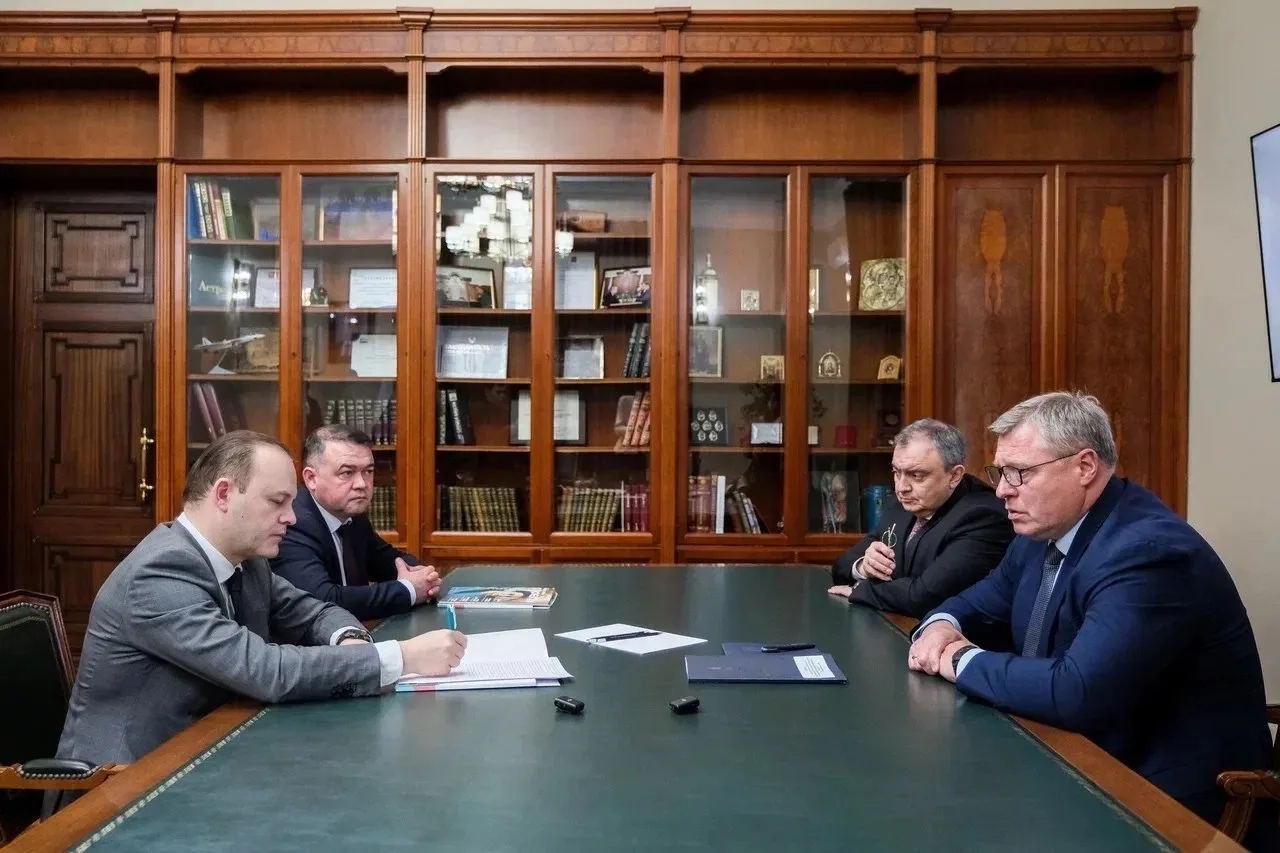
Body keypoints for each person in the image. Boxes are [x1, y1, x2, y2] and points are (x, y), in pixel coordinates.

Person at [907, 392, 1275, 844]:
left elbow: (1076, 691)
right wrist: (942, 624)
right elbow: (978, 602)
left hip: (1163, 802)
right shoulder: (1039, 534)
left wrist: (958, 659)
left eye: (1020, 472)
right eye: (1000, 473)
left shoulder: (1147, 551)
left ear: (1084, 466)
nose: (1002, 490)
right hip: (1071, 758)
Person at [51, 430, 466, 774]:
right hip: (124, 786)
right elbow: (265, 669)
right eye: (277, 501)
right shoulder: (159, 573)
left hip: (211, 754)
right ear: (224, 494)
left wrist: (349, 639)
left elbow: (316, 611)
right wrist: (401, 657)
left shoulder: (247, 561)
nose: (292, 517)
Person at [828, 418, 1014, 617]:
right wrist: (864, 568)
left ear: (954, 476)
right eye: (896, 472)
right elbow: (841, 565)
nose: (901, 487)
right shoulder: (905, 502)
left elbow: (923, 597)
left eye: (916, 475)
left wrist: (860, 589)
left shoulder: (984, 517)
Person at [272, 424, 441, 620]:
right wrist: (408, 590)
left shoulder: (352, 515)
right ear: (311, 478)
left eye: (368, 471)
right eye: (347, 473)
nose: (362, 484)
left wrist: (422, 575)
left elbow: (386, 559)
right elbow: (324, 600)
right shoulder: (293, 523)